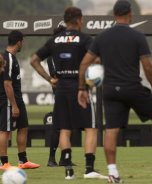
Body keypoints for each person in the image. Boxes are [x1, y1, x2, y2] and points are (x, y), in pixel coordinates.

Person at [78, 0, 152, 183]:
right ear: (129, 13)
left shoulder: (101, 37)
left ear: (114, 14)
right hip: (132, 87)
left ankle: (113, 173)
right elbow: (148, 67)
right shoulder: (137, 36)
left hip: (109, 90)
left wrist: (82, 89)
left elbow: (84, 63)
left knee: (111, 130)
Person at [30, 7, 107, 180]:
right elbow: (97, 59)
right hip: (80, 88)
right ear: (79, 19)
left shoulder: (54, 40)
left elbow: (33, 60)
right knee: (91, 128)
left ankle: (68, 171)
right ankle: (89, 169)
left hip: (61, 88)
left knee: (64, 129)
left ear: (65, 20)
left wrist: (50, 79)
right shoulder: (85, 38)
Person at [0, 30, 40, 170]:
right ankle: (4, 163)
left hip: (17, 99)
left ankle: (23, 160)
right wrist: (14, 105)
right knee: (5, 130)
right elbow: (7, 84)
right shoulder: (8, 59)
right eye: (22, 41)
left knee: (23, 127)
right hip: (8, 101)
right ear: (19, 42)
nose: (23, 44)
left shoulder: (13, 58)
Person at [45, 25, 76, 167]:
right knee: (58, 125)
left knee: (69, 125)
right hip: (60, 91)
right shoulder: (52, 50)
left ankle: (65, 158)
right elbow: (54, 74)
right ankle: (51, 159)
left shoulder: (64, 50)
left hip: (68, 89)